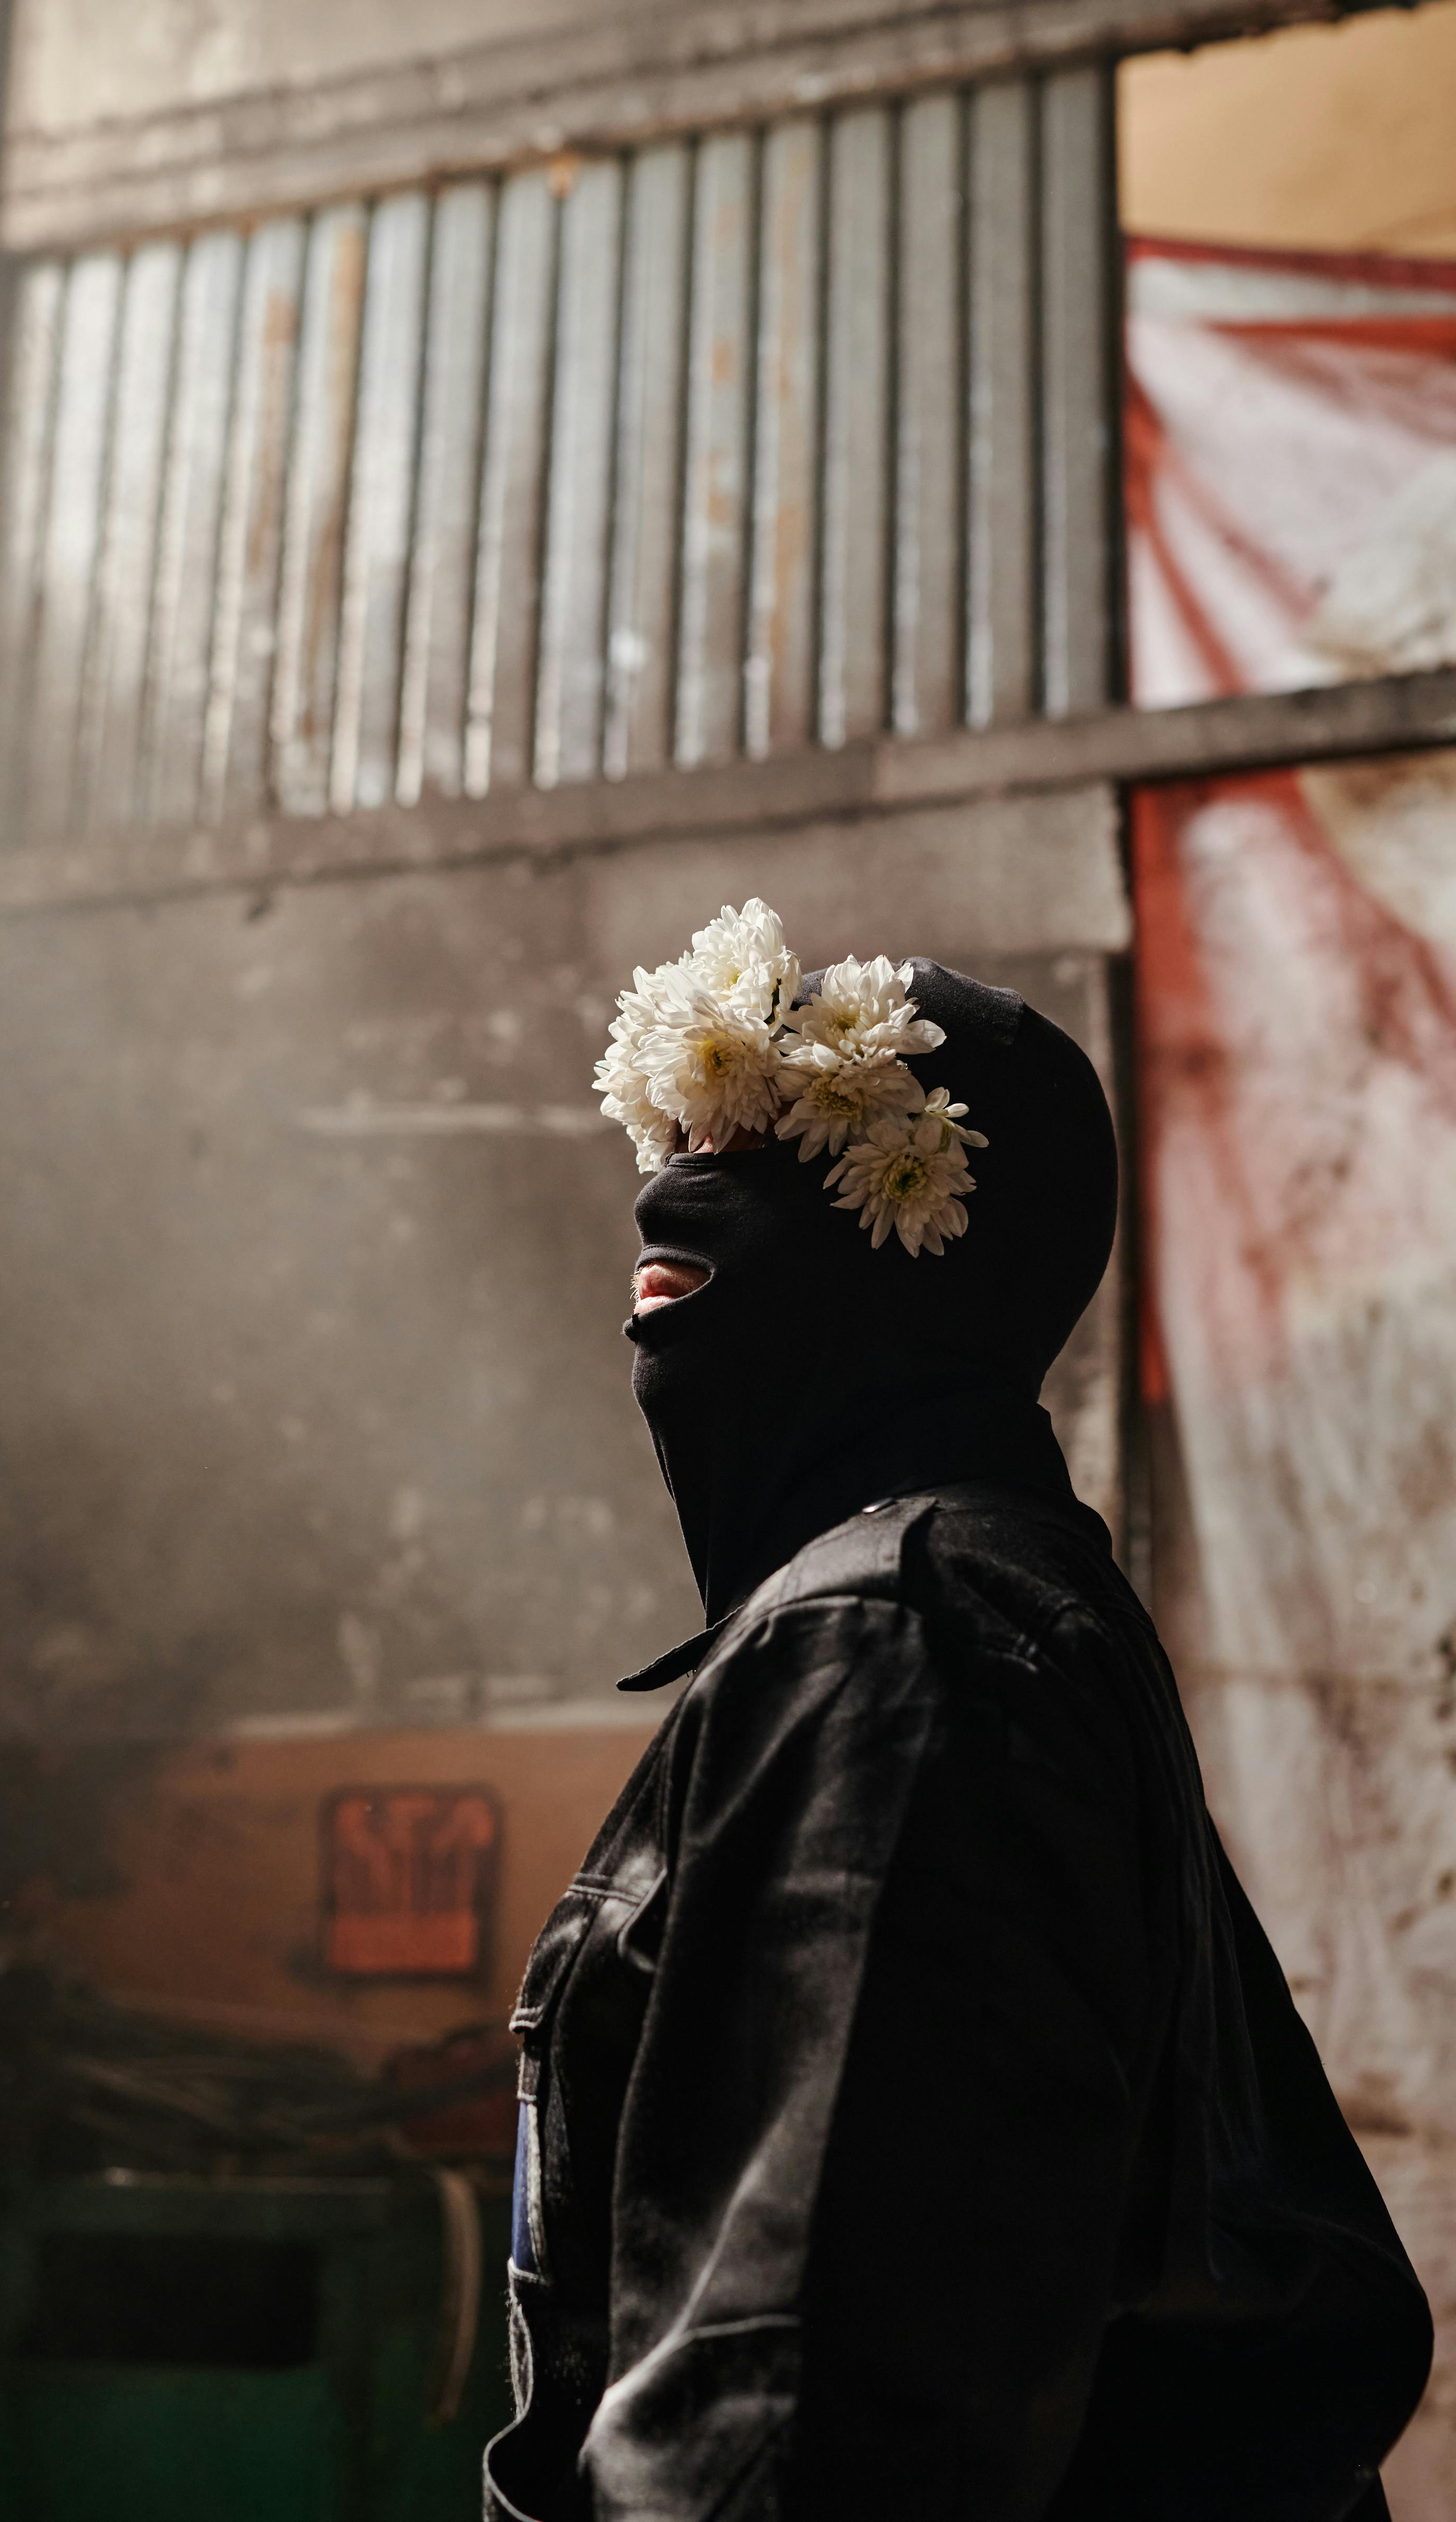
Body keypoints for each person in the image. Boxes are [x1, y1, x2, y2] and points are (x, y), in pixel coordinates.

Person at [484, 907, 1431, 2522]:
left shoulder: (898, 1642)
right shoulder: (988, 1610)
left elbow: (804, 2400)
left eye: (766, 1165)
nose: (654, 1276)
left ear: (916, 1226)